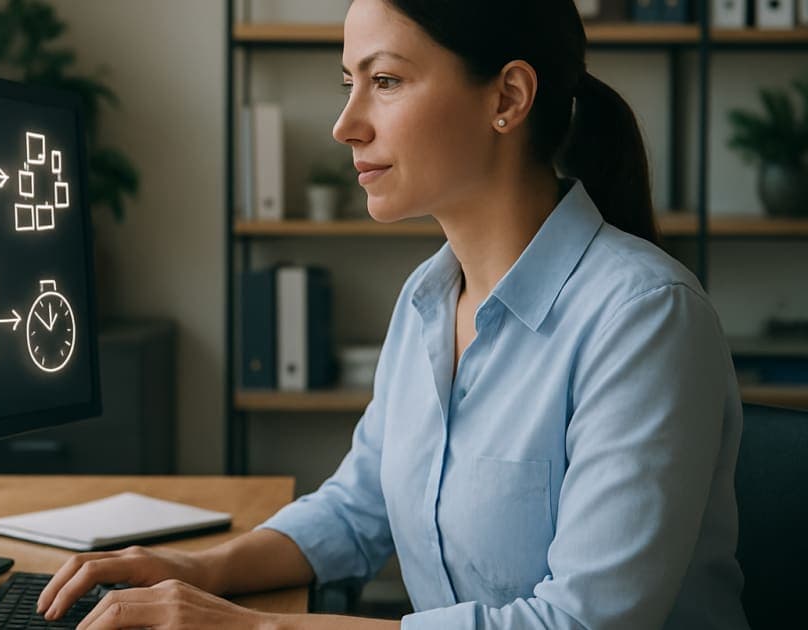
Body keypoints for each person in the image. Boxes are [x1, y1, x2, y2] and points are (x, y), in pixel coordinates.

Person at [36, 0, 749, 628]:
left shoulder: (646, 320)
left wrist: (247, 629)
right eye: (349, 83)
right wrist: (200, 571)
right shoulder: (426, 301)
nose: (346, 125)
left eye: (385, 81)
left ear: (508, 97)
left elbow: (575, 626)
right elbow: (359, 506)